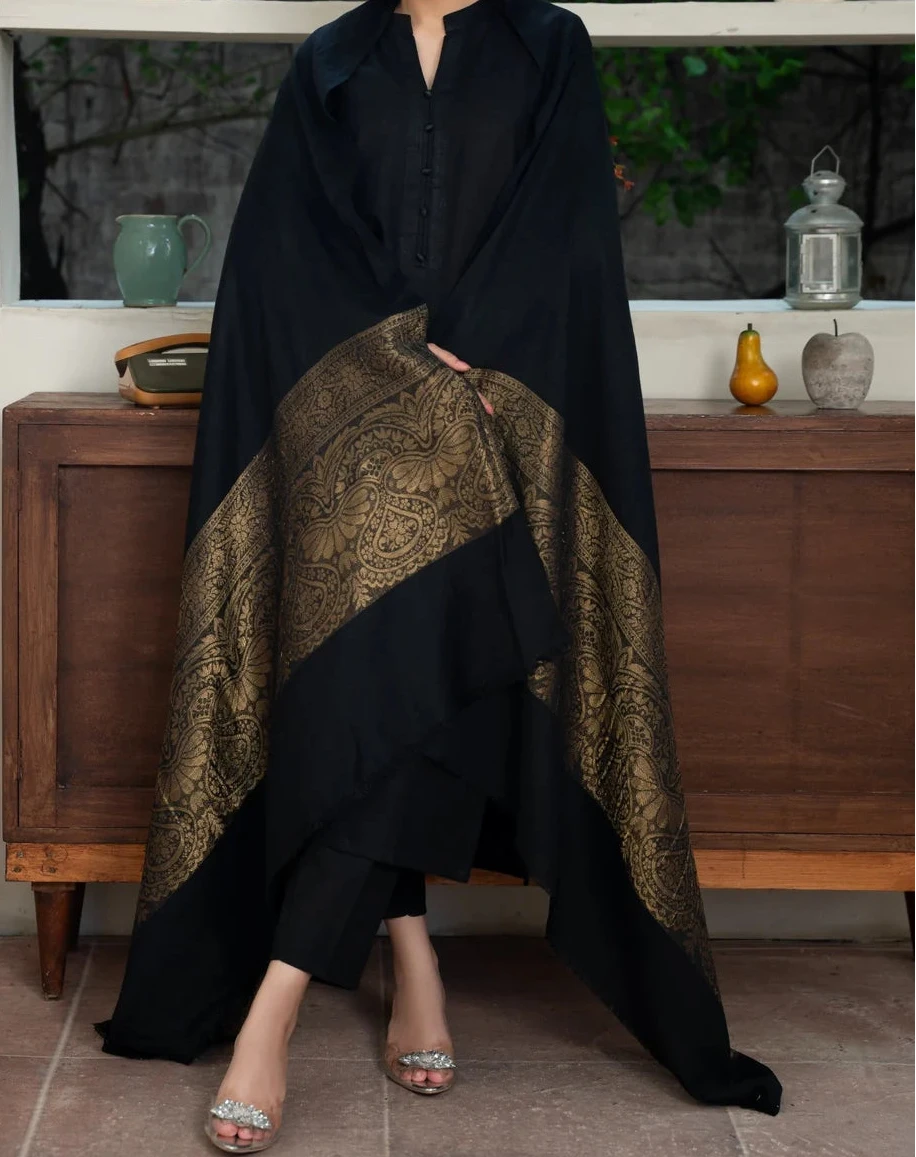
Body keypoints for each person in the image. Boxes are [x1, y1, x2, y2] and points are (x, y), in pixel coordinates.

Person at [97, 0, 782, 1150]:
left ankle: (282, 996)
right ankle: (406, 952)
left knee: (430, 649)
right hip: (362, 437)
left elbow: (560, 230)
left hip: (509, 410)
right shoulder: (330, 59)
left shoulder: (546, 45)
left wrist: (475, 367)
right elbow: (285, 246)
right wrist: (398, 367)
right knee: (398, 662)